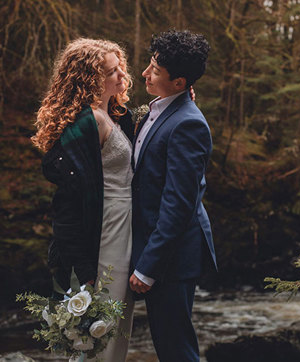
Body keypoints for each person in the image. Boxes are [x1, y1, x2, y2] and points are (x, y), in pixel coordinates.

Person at [31, 38, 135, 362]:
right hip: (105, 231)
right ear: (90, 79)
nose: (122, 77)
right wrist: (83, 265)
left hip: (123, 224)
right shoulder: (86, 122)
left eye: (120, 68)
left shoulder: (112, 113)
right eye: (111, 71)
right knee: (102, 323)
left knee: (119, 322)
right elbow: (70, 200)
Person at [129, 30, 217, 362]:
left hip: (172, 257)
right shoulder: (163, 108)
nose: (144, 74)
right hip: (156, 246)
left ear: (179, 82)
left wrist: (149, 267)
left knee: (176, 349)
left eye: (154, 70)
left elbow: (179, 204)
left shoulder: (188, 125)